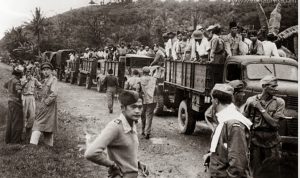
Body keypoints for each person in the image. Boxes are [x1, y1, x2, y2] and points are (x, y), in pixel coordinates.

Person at [85, 90, 148, 178]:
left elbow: (123, 151)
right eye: (133, 107)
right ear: (123, 108)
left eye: (140, 107)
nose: (137, 111)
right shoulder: (115, 126)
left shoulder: (131, 122)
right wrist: (112, 165)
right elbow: (90, 153)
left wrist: (137, 163)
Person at [203, 83, 252, 178]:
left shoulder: (234, 124)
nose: (211, 101)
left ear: (216, 101)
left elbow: (237, 164)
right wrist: (212, 156)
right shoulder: (225, 118)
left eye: (212, 99)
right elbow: (226, 147)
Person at [243, 75, 285, 175]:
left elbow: (274, 123)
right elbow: (244, 119)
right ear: (264, 86)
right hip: (255, 140)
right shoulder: (251, 101)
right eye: (273, 86)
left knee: (272, 170)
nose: (276, 89)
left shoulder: (279, 102)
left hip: (272, 141)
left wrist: (260, 108)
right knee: (255, 170)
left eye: (276, 86)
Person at [30, 62, 58, 147]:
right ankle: (47, 145)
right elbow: (42, 89)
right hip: (44, 104)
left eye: (47, 70)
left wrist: (46, 102)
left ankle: (34, 144)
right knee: (45, 123)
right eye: (44, 70)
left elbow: (54, 93)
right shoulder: (45, 80)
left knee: (40, 123)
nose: (45, 72)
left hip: (49, 105)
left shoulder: (53, 79)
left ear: (51, 71)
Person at [21, 67, 42, 142]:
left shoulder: (34, 79)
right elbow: (20, 87)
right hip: (24, 98)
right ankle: (21, 135)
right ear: (25, 72)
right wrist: (26, 81)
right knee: (23, 116)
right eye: (27, 71)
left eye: (30, 71)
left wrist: (38, 90)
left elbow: (40, 86)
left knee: (32, 116)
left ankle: (28, 134)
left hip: (31, 98)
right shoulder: (22, 79)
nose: (28, 73)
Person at [4, 65, 24, 144]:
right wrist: (23, 85)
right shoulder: (17, 81)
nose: (22, 74)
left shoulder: (11, 80)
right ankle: (15, 141)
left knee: (10, 121)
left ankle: (8, 139)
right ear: (19, 74)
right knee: (17, 122)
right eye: (22, 73)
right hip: (16, 103)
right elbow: (19, 92)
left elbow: (5, 86)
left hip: (10, 102)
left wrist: (10, 93)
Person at [140, 67, 157, 139]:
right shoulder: (154, 79)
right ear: (149, 72)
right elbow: (156, 89)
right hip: (152, 100)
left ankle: (143, 130)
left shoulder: (140, 79)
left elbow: (138, 89)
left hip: (143, 100)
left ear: (143, 72)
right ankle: (148, 132)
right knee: (149, 116)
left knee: (142, 115)